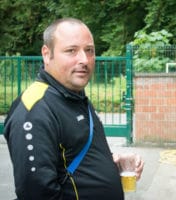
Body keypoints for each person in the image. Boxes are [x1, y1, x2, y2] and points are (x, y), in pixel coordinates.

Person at [4, 18, 144, 200]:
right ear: (47, 54)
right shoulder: (35, 109)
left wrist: (112, 164)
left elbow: (73, 157)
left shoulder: (73, 95)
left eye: (89, 51)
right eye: (71, 51)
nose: (84, 60)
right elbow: (37, 192)